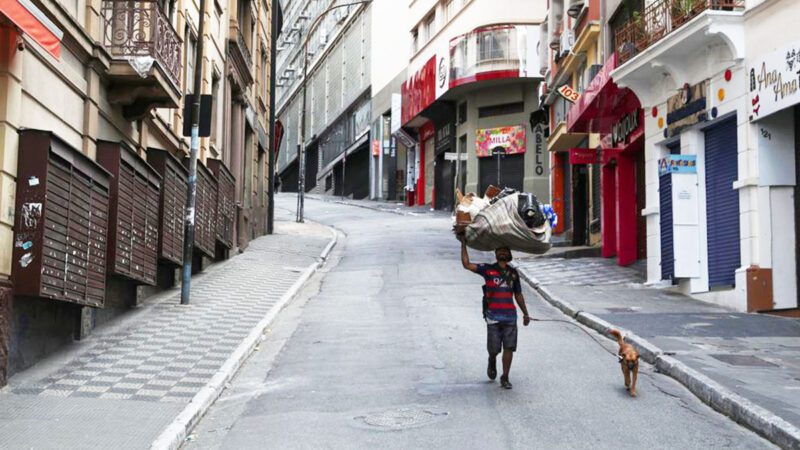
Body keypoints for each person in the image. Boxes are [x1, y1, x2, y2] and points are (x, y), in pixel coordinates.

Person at [461, 240, 531, 389]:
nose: (503, 253)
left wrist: (525, 314)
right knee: (494, 349)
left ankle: (505, 377)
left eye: (505, 251)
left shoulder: (513, 274)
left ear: (509, 254)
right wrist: (463, 243)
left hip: (510, 317)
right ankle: (492, 359)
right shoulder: (487, 270)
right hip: (493, 317)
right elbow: (466, 264)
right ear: (495, 254)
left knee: (509, 348)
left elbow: (518, 295)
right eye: (500, 250)